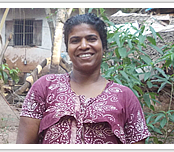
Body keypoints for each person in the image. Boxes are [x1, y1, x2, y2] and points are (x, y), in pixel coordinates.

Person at [16, 13, 151, 144]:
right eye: (75, 40)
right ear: (68, 48)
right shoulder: (45, 87)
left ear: (103, 46)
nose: (84, 46)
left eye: (91, 39)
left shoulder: (125, 97)